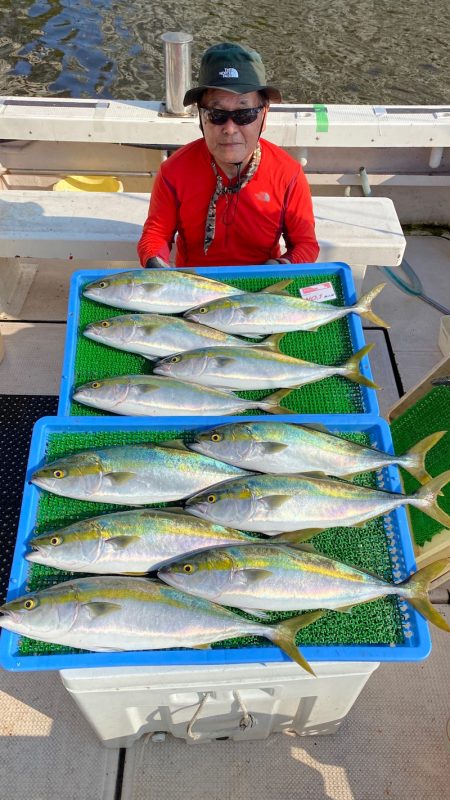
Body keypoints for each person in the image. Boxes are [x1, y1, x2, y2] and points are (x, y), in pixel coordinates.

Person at [137, 42, 319, 269]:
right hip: (195, 282)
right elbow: (156, 235)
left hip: (262, 282)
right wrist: (156, 262)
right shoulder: (173, 171)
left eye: (244, 114)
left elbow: (305, 244)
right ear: (201, 117)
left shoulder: (288, 174)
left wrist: (279, 266)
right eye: (216, 114)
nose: (230, 129)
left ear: (264, 114)